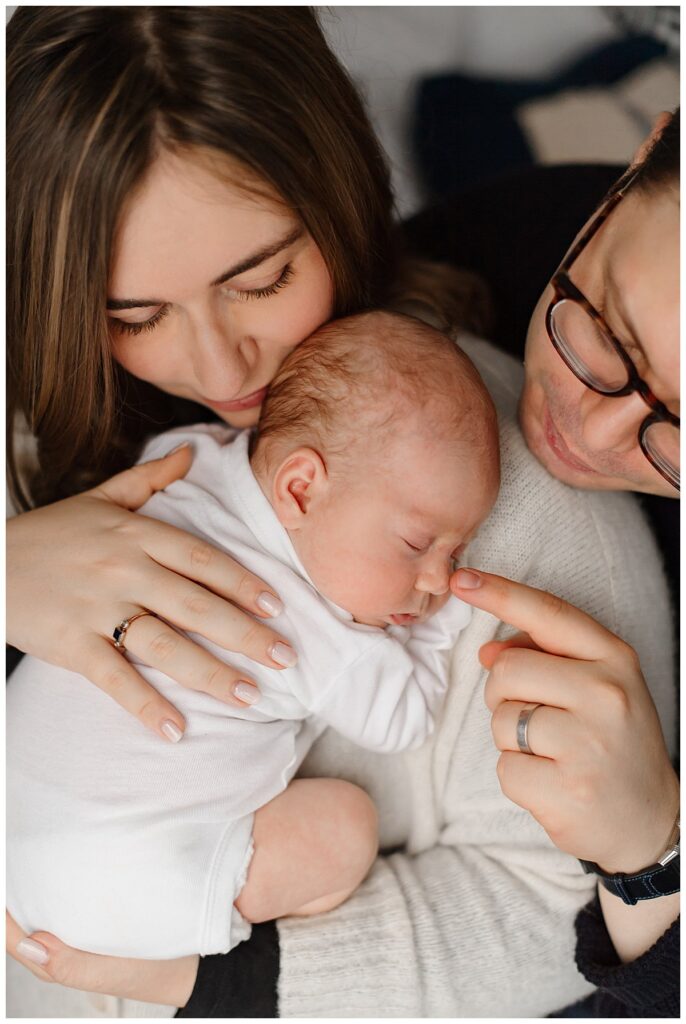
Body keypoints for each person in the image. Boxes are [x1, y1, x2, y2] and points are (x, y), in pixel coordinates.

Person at [5, 7, 678, 1018]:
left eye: (264, 277)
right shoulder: (57, 419)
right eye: (132, 314)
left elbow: (552, 914)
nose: (221, 365)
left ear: (341, 192)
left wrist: (221, 985)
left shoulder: (492, 493)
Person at [8, 311, 497, 960]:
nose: (437, 577)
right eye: (418, 544)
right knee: (346, 828)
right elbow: (404, 720)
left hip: (17, 807)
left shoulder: (181, 459)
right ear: (299, 489)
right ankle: (216, 918)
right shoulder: (318, 636)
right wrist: (447, 622)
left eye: (457, 551)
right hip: (114, 887)